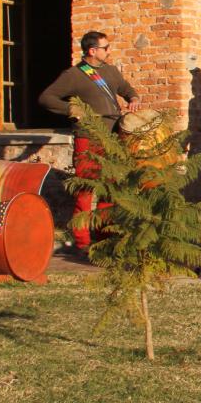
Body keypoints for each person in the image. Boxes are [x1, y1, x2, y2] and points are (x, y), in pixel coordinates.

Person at [39, 31, 141, 258]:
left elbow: (127, 89)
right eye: (106, 47)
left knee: (110, 190)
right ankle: (82, 242)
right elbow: (46, 98)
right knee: (85, 190)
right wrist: (70, 109)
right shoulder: (74, 74)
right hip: (89, 137)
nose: (109, 51)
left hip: (113, 137)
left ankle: (103, 238)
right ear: (92, 51)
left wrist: (133, 98)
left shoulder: (111, 72)